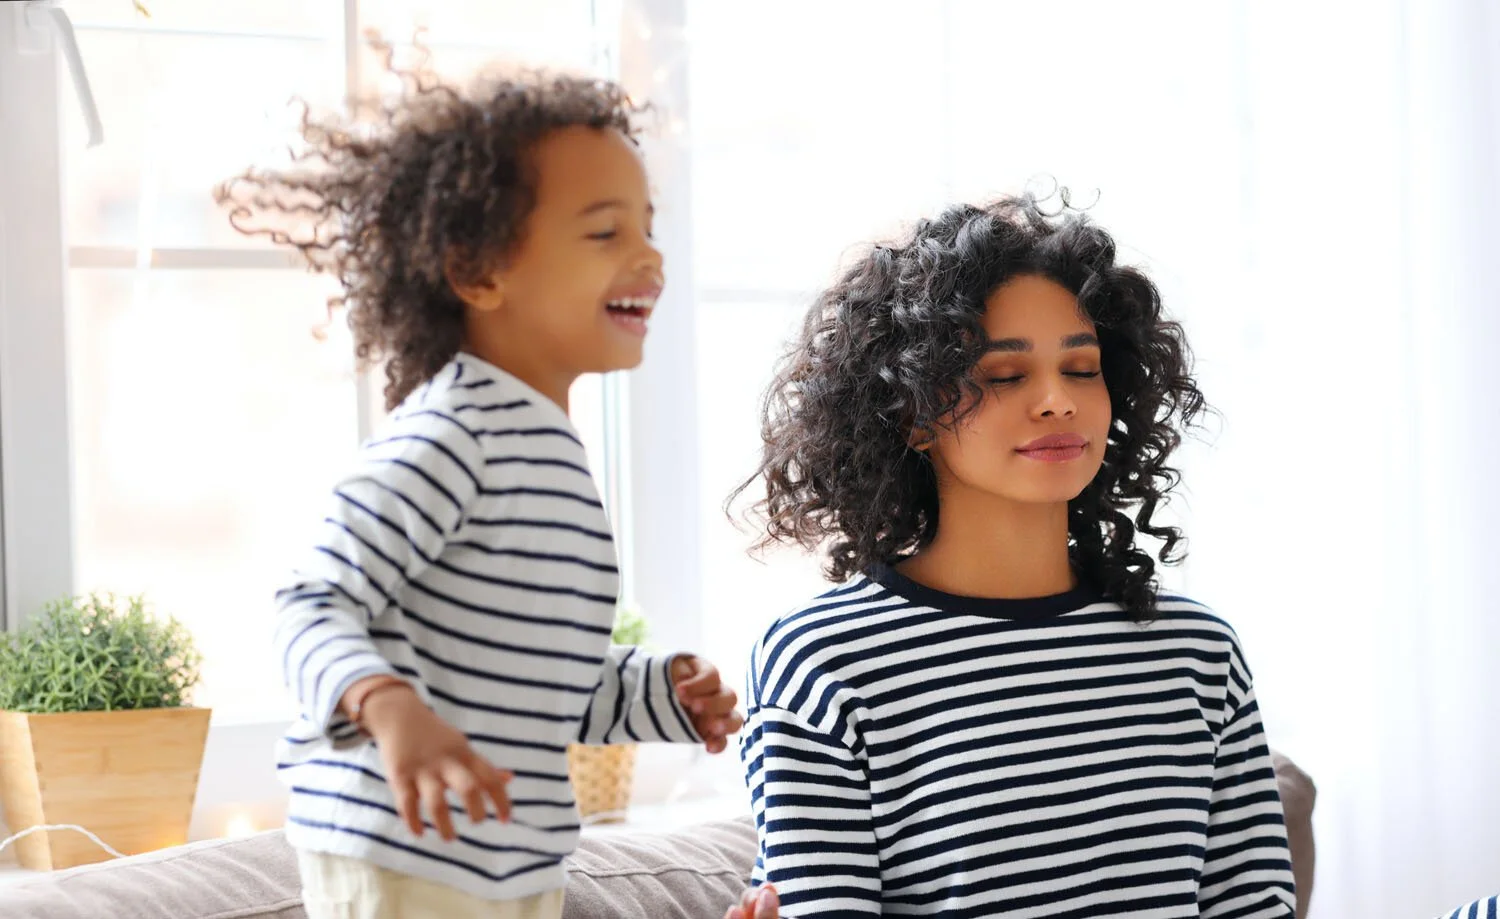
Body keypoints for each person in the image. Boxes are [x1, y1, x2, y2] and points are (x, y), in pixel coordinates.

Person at [217, 59, 741, 919]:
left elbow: (542, 679)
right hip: (398, 838)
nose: (649, 255)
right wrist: (389, 708)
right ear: (479, 272)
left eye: (646, 228)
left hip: (512, 855)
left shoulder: (549, 453)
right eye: (605, 233)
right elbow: (306, 602)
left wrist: (661, 694)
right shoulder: (452, 432)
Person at [728, 194, 1297, 917]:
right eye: (1005, 375)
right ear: (911, 414)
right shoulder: (823, 663)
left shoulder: (1199, 655)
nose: (1058, 400)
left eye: (1083, 368)